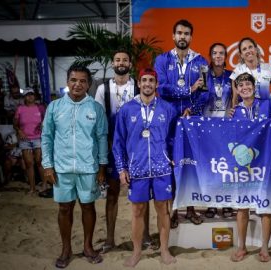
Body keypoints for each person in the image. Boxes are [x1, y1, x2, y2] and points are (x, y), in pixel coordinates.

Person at [41, 64, 108, 268]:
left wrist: (102, 167)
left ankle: (88, 247)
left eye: (82, 81)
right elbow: (47, 137)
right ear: (67, 82)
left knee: (88, 206)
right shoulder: (54, 107)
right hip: (61, 168)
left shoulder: (95, 108)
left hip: (88, 167)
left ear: (88, 84)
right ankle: (66, 249)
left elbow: (102, 138)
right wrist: (47, 165)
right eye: (73, 80)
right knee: (64, 208)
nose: (77, 84)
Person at [113, 68, 177, 267]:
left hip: (162, 169)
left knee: (163, 210)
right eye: (144, 80)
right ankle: (137, 252)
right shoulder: (126, 110)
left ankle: (164, 250)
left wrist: (173, 159)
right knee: (138, 211)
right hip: (137, 169)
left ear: (156, 84)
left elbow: (175, 138)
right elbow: (118, 142)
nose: (148, 84)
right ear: (138, 84)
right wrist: (122, 169)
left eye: (151, 80)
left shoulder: (168, 109)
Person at [94, 49, 153, 253]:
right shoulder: (103, 89)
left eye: (125, 60)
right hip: (113, 146)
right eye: (117, 60)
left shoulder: (138, 86)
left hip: (137, 148)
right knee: (112, 194)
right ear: (113, 64)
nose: (121, 63)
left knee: (142, 194)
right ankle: (110, 239)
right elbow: (100, 121)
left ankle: (145, 236)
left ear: (130, 64)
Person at [154, 19, 207, 227]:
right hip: (168, 121)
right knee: (173, 165)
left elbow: (205, 92)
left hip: (191, 121)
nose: (182, 37)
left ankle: (191, 208)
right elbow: (162, 88)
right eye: (179, 33)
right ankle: (174, 210)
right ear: (173, 36)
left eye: (186, 33)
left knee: (191, 166)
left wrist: (192, 110)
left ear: (191, 37)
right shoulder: (162, 60)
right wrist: (188, 90)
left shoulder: (200, 61)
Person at [230, 72, 271, 263]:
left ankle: (264, 248)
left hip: (266, 163)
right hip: (245, 168)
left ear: (254, 86)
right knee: (242, 207)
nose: (244, 88)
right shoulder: (235, 112)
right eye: (240, 86)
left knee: (266, 205)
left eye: (247, 84)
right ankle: (242, 247)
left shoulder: (267, 104)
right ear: (237, 89)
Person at [201, 42, 234, 219]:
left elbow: (236, 100)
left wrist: (233, 110)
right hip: (208, 128)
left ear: (226, 56)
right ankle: (212, 204)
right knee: (211, 166)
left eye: (222, 53)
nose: (218, 56)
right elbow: (198, 99)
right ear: (210, 56)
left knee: (226, 166)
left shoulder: (231, 76)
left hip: (226, 128)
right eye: (215, 53)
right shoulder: (203, 76)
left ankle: (227, 203)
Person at [14, 88, 46, 195]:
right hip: (25, 139)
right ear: (24, 97)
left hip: (38, 138)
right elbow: (15, 124)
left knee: (39, 161)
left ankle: (44, 185)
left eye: (32, 94)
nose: (30, 97)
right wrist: (19, 131)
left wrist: (43, 125)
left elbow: (47, 120)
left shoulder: (40, 108)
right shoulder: (20, 109)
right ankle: (32, 188)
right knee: (28, 163)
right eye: (27, 95)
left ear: (35, 96)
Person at [230, 37, 271, 106]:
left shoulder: (268, 68)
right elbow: (235, 98)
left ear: (256, 49)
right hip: (246, 112)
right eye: (244, 49)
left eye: (250, 47)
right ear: (241, 55)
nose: (248, 50)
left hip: (266, 111)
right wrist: (234, 112)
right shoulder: (237, 72)